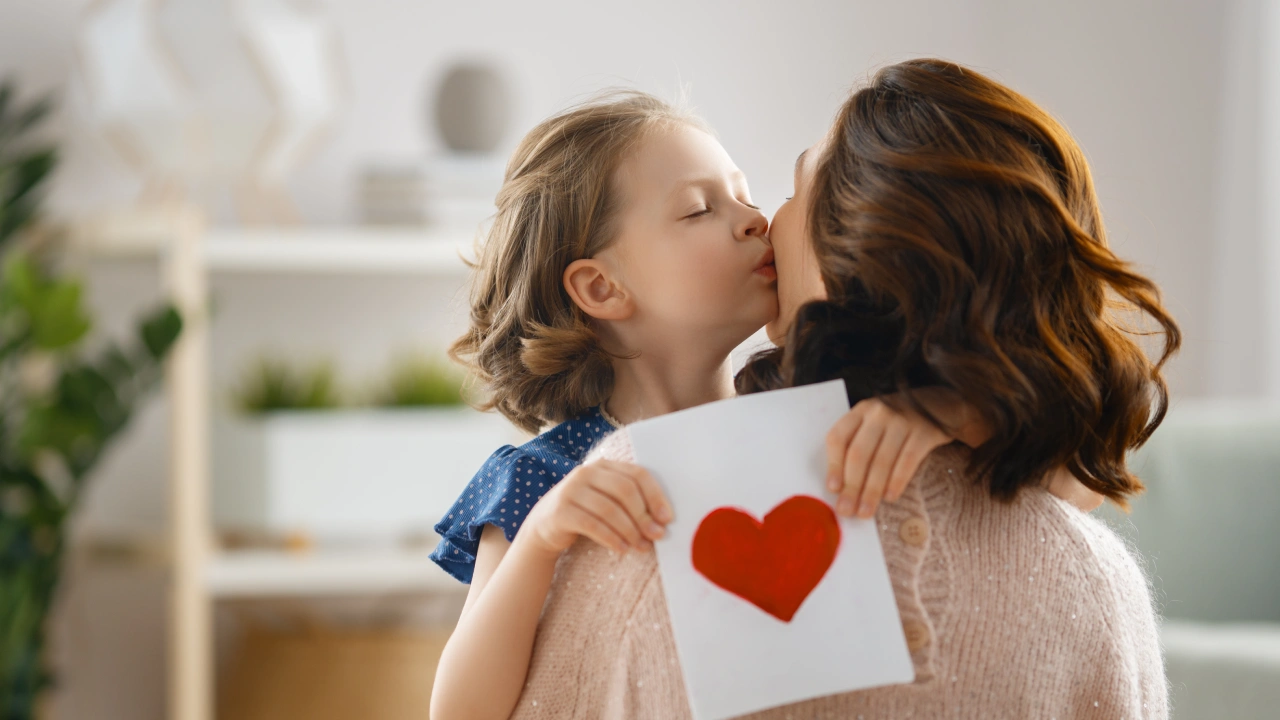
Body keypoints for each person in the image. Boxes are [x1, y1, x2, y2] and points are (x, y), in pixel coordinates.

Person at [508, 59, 1177, 719]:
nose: (762, 220)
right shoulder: (1095, 578)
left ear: (857, 245)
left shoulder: (651, 495)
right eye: (698, 210)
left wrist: (952, 408)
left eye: (794, 190)